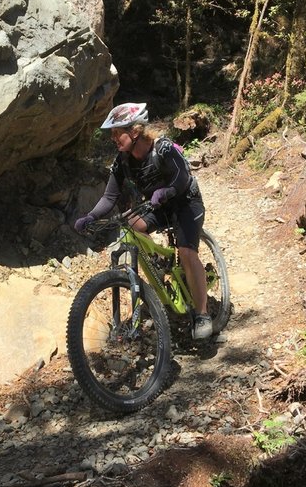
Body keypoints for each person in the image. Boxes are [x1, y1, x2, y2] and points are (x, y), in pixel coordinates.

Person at [74, 102, 213, 340]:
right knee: (131, 223)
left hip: (185, 201)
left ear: (135, 131)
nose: (114, 139)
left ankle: (202, 314)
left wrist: (167, 192)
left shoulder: (163, 148)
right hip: (156, 205)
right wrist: (91, 216)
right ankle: (158, 263)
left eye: (117, 133)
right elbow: (110, 197)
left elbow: (182, 177)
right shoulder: (122, 161)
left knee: (187, 252)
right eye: (112, 134)